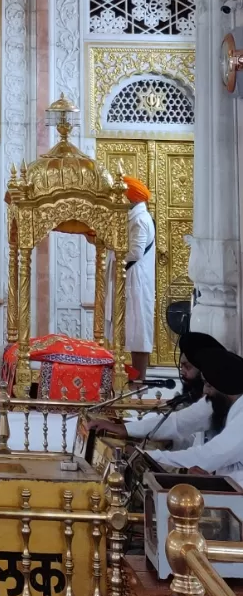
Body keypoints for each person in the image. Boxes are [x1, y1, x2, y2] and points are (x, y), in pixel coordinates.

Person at [89, 330, 226, 448]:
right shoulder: (193, 396)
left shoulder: (216, 401)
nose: (183, 372)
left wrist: (124, 429)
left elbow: (178, 424)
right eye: (181, 367)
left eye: (188, 367)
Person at [148, 346, 243, 476]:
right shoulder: (224, 407)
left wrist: (150, 457)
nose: (205, 391)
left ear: (225, 386)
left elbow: (208, 455)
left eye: (209, 385)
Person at [123, 175, 156, 382]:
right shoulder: (135, 217)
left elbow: (135, 252)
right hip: (132, 279)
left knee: (139, 332)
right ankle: (133, 378)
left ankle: (139, 380)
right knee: (133, 331)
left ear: (131, 198)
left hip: (137, 280)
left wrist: (115, 251)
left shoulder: (140, 220)